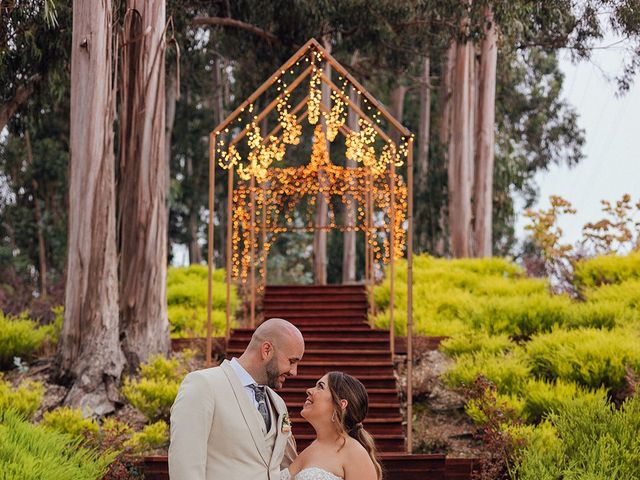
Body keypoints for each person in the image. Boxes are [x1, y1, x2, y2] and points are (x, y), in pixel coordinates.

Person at [169, 317, 305, 480]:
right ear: (266, 350)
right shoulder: (204, 385)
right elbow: (185, 466)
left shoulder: (278, 404)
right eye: (291, 361)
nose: (294, 372)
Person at [281, 371, 382, 480]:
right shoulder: (308, 452)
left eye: (320, 387)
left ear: (340, 404)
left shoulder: (355, 453)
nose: (309, 390)